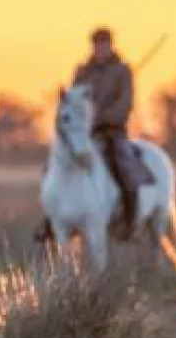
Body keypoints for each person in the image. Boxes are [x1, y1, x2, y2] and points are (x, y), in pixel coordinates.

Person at [37, 26, 141, 243]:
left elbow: (125, 104)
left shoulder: (123, 71)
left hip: (111, 132)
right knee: (52, 167)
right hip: (84, 134)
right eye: (97, 44)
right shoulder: (82, 72)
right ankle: (50, 221)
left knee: (124, 168)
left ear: (111, 45)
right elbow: (73, 100)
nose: (100, 48)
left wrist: (101, 117)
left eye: (104, 44)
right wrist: (82, 120)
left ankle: (129, 219)